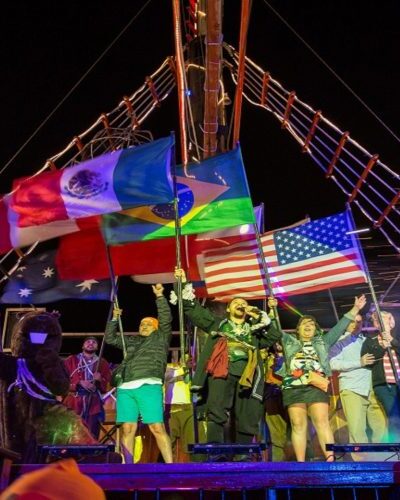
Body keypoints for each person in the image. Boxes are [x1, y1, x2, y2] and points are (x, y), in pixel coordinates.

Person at [173, 268, 281, 453]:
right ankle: (215, 451)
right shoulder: (218, 324)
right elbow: (193, 309)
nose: (240, 304)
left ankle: (243, 453)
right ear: (229, 308)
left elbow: (273, 336)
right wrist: (182, 282)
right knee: (216, 408)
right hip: (221, 371)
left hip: (248, 375)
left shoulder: (254, 330)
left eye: (244, 303)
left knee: (246, 412)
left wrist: (264, 314)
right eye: (236, 303)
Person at [274, 295, 366, 462]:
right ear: (298, 329)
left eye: (311, 324)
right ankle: (301, 463)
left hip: (316, 385)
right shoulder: (288, 342)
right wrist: (273, 309)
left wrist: (355, 309)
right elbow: (274, 330)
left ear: (316, 329)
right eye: (304, 324)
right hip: (293, 387)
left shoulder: (323, 342)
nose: (308, 326)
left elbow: (339, 327)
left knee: (322, 421)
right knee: (298, 424)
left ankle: (330, 461)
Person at [105, 284, 173, 463]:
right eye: (142, 324)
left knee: (157, 427)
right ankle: (129, 468)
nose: (143, 326)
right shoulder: (132, 341)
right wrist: (114, 319)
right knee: (127, 428)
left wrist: (159, 296)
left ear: (156, 327)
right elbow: (110, 338)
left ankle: (171, 466)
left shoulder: (161, 337)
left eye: (148, 323)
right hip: (125, 386)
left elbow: (165, 318)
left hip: (149, 385)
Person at [328, 314, 387, 455]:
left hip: (372, 388)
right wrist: (358, 363)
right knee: (357, 431)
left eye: (359, 321)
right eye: (353, 321)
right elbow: (332, 363)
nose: (356, 324)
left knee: (382, 427)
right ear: (346, 323)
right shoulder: (339, 341)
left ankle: (383, 461)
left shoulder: (367, 340)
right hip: (352, 388)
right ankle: (362, 467)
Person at [361, 310, 400, 442]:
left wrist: (393, 342)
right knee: (394, 416)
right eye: (377, 321)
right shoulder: (370, 342)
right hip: (384, 386)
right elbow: (368, 360)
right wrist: (382, 347)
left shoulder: (397, 339)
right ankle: (396, 450)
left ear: (391, 322)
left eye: (383, 319)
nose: (380, 323)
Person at [63, 337, 112, 439]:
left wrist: (100, 380)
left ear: (97, 347)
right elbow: (62, 381)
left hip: (93, 403)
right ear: (83, 346)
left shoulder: (102, 363)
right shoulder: (71, 360)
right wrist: (79, 383)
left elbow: (107, 386)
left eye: (94, 342)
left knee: (91, 434)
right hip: (74, 402)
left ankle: (90, 454)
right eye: (88, 342)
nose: (91, 343)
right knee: (71, 434)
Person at [164, 357, 206, 462]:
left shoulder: (197, 366)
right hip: (170, 408)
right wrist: (184, 369)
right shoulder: (167, 365)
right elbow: (164, 376)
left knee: (195, 444)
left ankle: (198, 473)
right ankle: (167, 474)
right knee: (167, 445)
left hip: (190, 408)